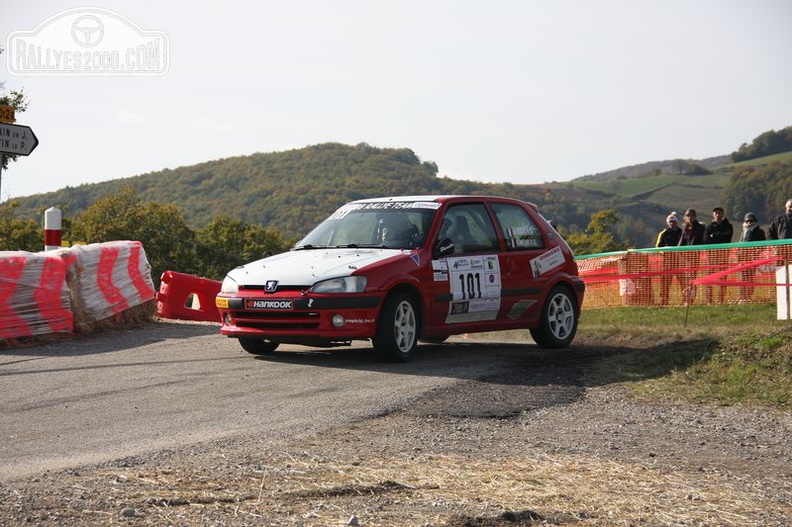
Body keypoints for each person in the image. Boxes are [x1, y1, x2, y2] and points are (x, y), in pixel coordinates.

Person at [703, 207, 734, 304]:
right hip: (711, 256)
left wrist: (714, 236)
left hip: (723, 255)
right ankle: (709, 300)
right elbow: (706, 240)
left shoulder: (728, 226)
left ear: (723, 214)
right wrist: (719, 236)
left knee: (723, 277)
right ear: (713, 215)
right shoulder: (709, 227)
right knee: (710, 277)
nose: (717, 215)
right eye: (715, 213)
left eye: (719, 213)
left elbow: (727, 236)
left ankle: (721, 299)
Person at [677, 209, 705, 304]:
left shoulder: (700, 227)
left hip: (694, 256)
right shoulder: (685, 227)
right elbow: (682, 240)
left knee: (692, 278)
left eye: (692, 215)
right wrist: (678, 250)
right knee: (685, 278)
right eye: (688, 215)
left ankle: (691, 299)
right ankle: (686, 297)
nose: (690, 217)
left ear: (695, 216)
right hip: (685, 256)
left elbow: (701, 241)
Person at [738, 212, 766, 303]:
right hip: (743, 258)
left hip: (752, 259)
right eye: (747, 221)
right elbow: (740, 244)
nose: (749, 222)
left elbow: (763, 245)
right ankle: (742, 298)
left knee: (750, 278)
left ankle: (749, 297)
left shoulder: (760, 231)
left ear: (755, 221)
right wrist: (739, 253)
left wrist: (756, 251)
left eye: (751, 220)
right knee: (742, 278)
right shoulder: (743, 232)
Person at [655, 213, 682, 305]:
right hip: (667, 262)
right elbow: (658, 247)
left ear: (677, 222)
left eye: (674, 221)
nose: (672, 223)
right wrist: (666, 253)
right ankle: (664, 301)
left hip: (679, 262)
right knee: (665, 283)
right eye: (670, 221)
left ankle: (686, 300)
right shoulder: (664, 234)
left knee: (683, 281)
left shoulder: (682, 233)